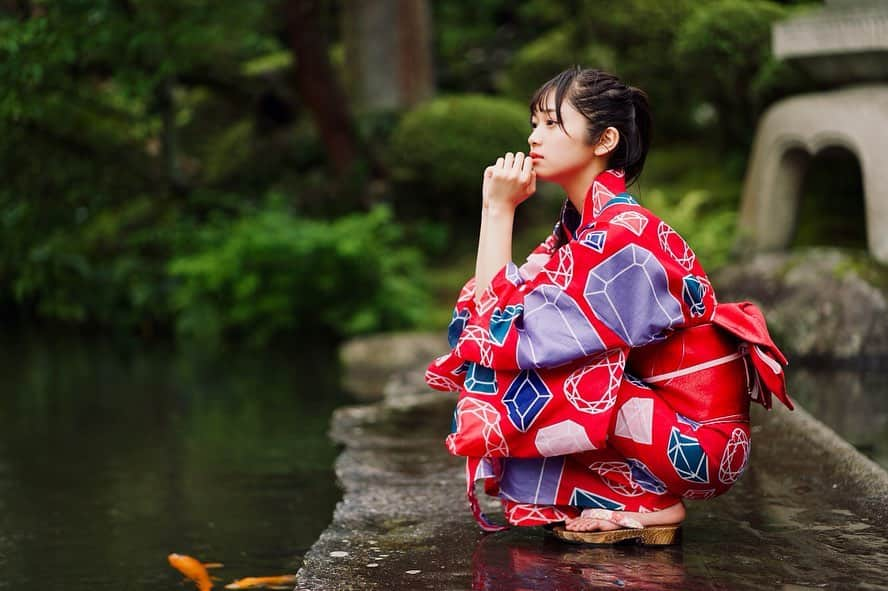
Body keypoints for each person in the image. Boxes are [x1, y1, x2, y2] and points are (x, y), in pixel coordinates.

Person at [425, 66, 791, 544]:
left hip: (698, 443)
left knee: (550, 377)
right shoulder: (580, 228)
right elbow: (490, 319)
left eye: (552, 124)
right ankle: (621, 490)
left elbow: (504, 334)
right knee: (521, 371)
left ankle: (655, 504)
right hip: (660, 421)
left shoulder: (623, 235)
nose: (535, 137)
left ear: (604, 140)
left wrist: (498, 211)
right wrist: (496, 211)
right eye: (534, 122)